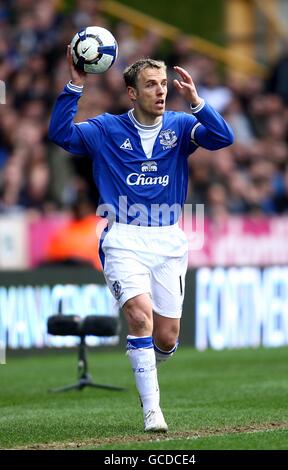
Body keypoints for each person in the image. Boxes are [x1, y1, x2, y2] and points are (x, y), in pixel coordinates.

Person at [48, 46, 234, 433]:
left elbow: (223, 137)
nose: (161, 91)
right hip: (124, 237)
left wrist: (198, 102)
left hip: (168, 240)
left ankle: (146, 363)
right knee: (139, 317)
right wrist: (75, 85)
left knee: (165, 337)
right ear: (132, 93)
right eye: (151, 85)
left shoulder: (182, 126)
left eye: (164, 84)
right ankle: (152, 411)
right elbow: (60, 134)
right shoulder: (105, 129)